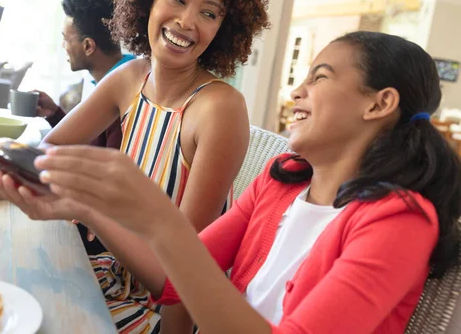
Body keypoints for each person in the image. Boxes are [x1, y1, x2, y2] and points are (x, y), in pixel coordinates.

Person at [27, 31, 461, 333]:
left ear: (380, 103)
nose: (298, 91)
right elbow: (173, 281)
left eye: (321, 77)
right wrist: (85, 207)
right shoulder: (281, 185)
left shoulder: (400, 220)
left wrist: (162, 221)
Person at [0, 0, 270, 332]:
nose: (188, 21)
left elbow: (185, 274)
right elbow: (47, 154)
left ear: (224, 29)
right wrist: (10, 164)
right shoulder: (130, 77)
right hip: (109, 274)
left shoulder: (219, 109)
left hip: (163, 310)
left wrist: (88, 207)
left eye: (210, 13)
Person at [36, 0, 135, 254]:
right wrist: (56, 114)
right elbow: (94, 142)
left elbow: (110, 167)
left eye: (66, 38)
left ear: (88, 46)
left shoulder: (126, 90)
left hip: (107, 234)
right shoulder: (121, 71)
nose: (64, 46)